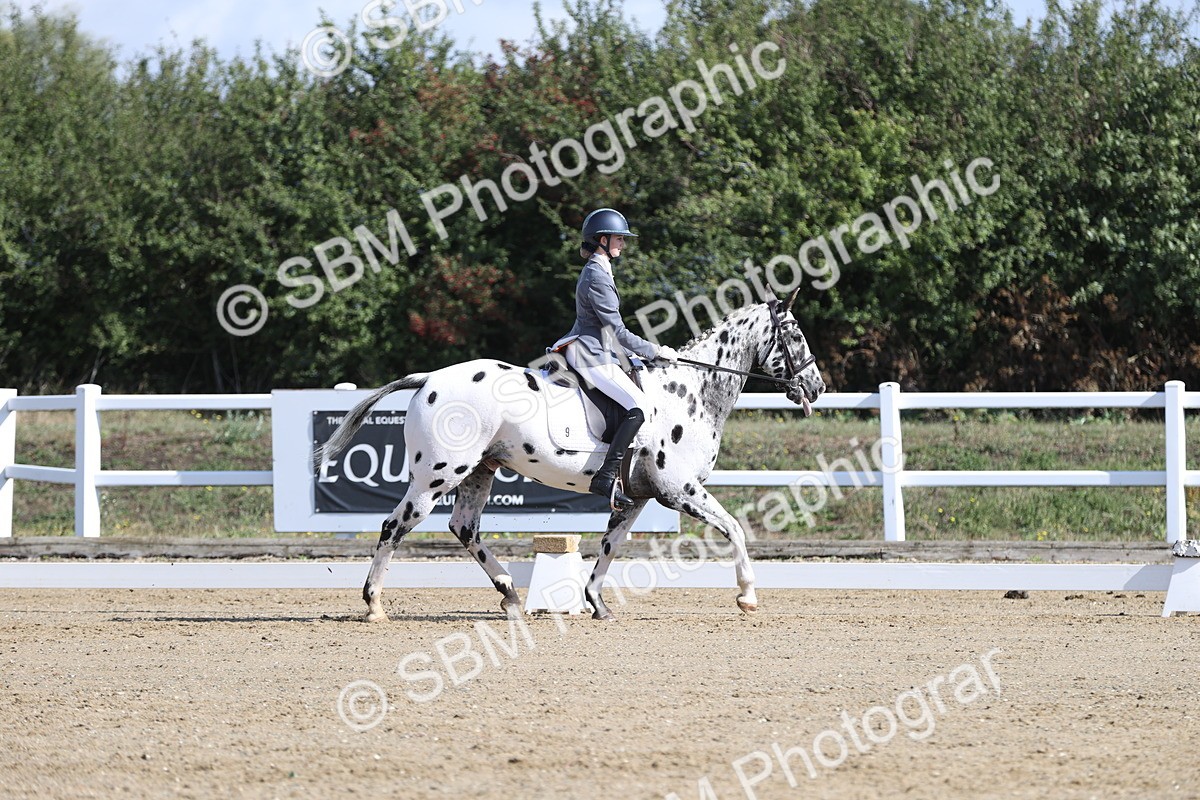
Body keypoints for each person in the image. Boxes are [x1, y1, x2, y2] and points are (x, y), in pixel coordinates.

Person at [549, 208, 679, 510]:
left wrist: (632, 354)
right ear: (602, 240)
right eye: (619, 238)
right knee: (639, 406)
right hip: (589, 353)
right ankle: (605, 477)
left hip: (596, 348)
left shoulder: (600, 270)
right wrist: (655, 350)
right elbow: (617, 330)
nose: (623, 243)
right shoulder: (597, 275)